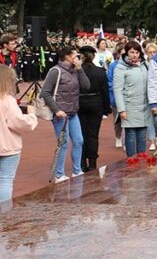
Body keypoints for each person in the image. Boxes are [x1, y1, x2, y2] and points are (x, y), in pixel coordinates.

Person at [41, 46, 91, 180]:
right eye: (76, 55)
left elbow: (86, 86)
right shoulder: (55, 71)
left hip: (73, 112)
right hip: (61, 114)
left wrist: (80, 69)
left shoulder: (75, 70)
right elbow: (45, 92)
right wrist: (57, 110)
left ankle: (77, 170)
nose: (78, 58)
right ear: (68, 57)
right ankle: (59, 174)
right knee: (63, 143)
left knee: (79, 141)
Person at [0, 64, 37, 204]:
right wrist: (32, 115)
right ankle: (4, 214)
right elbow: (20, 123)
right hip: (8, 146)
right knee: (5, 180)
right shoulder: (7, 100)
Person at [113, 41, 150, 157]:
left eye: (137, 52)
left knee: (142, 136)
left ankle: (142, 160)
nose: (134, 55)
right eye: (132, 52)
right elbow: (117, 90)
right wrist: (121, 109)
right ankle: (132, 161)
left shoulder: (145, 65)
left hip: (143, 105)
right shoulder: (120, 68)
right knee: (131, 136)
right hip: (129, 106)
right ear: (126, 53)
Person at [76, 46, 111, 172]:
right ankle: (92, 162)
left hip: (80, 103)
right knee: (93, 135)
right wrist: (106, 108)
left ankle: (82, 162)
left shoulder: (76, 71)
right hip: (96, 104)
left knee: (81, 134)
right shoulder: (100, 72)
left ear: (82, 56)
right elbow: (105, 92)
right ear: (93, 56)